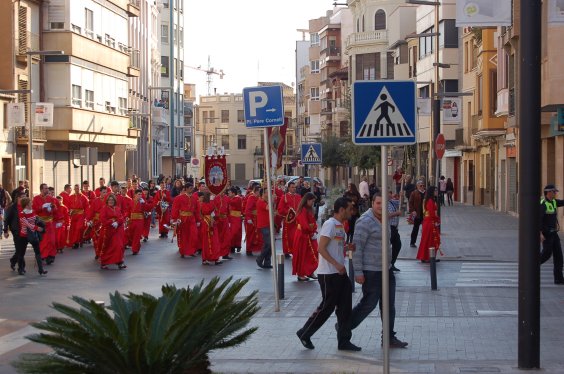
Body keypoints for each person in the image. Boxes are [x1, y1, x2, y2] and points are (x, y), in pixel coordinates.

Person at [296, 197, 361, 352]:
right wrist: (337, 264)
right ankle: (305, 333)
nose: (352, 212)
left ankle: (344, 341)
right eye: (349, 208)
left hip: (339, 273)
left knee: (345, 307)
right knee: (327, 307)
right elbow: (321, 248)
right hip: (329, 274)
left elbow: (335, 247)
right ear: (341, 209)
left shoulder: (340, 226)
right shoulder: (330, 224)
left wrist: (347, 247)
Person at [350, 193, 408, 348]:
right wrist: (358, 272)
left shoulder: (385, 220)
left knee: (389, 305)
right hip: (371, 271)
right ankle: (345, 326)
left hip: (386, 269)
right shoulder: (364, 221)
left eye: (384, 203)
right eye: (378, 203)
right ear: (372, 203)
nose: (381, 206)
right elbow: (357, 248)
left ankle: (388, 337)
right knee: (369, 303)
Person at [6, 197, 48, 276]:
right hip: (24, 235)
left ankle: (41, 269)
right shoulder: (22, 214)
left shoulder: (33, 211)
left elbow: (36, 220)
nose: (32, 204)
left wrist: (42, 223)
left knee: (38, 252)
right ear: (27, 205)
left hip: (33, 235)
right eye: (30, 203)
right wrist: (37, 228)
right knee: (21, 253)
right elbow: (27, 224)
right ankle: (21, 269)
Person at [539, 184, 564, 284]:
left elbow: (562, 202)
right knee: (546, 254)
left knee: (559, 256)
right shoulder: (543, 204)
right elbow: (538, 220)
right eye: (554, 192)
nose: (555, 193)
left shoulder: (553, 202)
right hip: (547, 233)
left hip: (554, 233)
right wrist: (540, 233)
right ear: (548, 192)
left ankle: (558, 279)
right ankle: (531, 266)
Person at [292, 192, 318, 281]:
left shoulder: (310, 209)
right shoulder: (302, 209)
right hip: (302, 235)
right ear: (307, 200)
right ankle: (301, 274)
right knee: (302, 255)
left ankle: (310, 271)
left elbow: (313, 221)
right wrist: (311, 232)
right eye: (312, 201)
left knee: (313, 254)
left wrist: (314, 230)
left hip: (309, 234)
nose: (312, 203)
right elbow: (304, 224)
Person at [98, 194, 127, 270]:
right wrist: (111, 221)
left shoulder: (117, 208)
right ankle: (104, 261)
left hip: (117, 230)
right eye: (109, 200)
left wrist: (117, 222)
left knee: (119, 245)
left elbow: (121, 217)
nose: (111, 201)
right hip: (108, 230)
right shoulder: (104, 209)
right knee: (108, 247)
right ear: (107, 201)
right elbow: (102, 219)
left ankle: (119, 261)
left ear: (115, 201)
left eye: (112, 200)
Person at [32, 183, 58, 264]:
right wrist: (41, 207)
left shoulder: (51, 198)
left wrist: (52, 209)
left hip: (50, 223)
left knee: (51, 240)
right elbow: (34, 210)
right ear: (41, 190)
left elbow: (56, 209)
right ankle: (43, 255)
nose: (47, 190)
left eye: (47, 188)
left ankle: (50, 255)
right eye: (45, 188)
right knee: (43, 241)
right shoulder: (36, 199)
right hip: (41, 223)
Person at [170, 184, 199, 258]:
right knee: (184, 236)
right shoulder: (179, 198)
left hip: (192, 219)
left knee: (193, 235)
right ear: (186, 189)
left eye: (192, 188)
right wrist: (174, 219)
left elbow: (197, 210)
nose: (191, 189)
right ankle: (183, 251)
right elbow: (175, 208)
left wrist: (198, 220)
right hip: (183, 219)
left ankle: (192, 250)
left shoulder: (195, 198)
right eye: (190, 188)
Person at [416, 186, 441, 263]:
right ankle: (429, 257)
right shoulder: (430, 201)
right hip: (430, 222)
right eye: (435, 190)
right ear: (432, 192)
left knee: (428, 240)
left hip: (429, 222)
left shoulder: (430, 200)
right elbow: (432, 213)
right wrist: (437, 219)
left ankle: (426, 257)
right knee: (431, 240)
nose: (437, 192)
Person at [277, 181, 301, 258]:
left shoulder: (298, 197)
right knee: (288, 237)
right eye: (292, 187)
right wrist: (290, 212)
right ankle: (287, 251)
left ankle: (296, 251)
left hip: (297, 221)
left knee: (296, 236)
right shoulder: (284, 197)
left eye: (295, 187)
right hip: (288, 220)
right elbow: (280, 209)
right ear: (288, 188)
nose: (294, 189)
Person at [200, 192, 222, 265]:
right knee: (206, 241)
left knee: (215, 241)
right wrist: (212, 201)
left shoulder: (212, 202)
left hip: (213, 222)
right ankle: (205, 258)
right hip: (207, 222)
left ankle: (216, 257)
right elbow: (207, 211)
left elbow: (216, 210)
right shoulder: (204, 204)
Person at [255, 189, 273, 269]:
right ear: (263, 194)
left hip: (269, 225)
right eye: (267, 193)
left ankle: (267, 262)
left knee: (271, 244)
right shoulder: (260, 201)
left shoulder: (266, 201)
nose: (269, 194)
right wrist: (271, 200)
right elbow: (268, 208)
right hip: (264, 225)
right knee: (268, 243)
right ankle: (260, 258)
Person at [67, 184, 89, 249]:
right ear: (74, 189)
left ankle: (77, 242)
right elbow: (68, 206)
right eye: (75, 188)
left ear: (80, 189)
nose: (76, 190)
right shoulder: (71, 197)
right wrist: (69, 212)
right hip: (73, 215)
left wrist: (86, 217)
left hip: (81, 215)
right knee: (73, 229)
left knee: (78, 228)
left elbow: (87, 207)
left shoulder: (84, 197)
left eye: (78, 188)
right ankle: (75, 242)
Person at [214, 188, 232, 260]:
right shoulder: (215, 198)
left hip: (225, 220)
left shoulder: (227, 198)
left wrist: (229, 220)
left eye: (224, 191)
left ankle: (225, 254)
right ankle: (217, 253)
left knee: (226, 237)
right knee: (218, 238)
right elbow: (213, 209)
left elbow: (229, 210)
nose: (223, 192)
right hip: (217, 220)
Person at [244, 184, 262, 255]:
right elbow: (248, 209)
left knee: (258, 234)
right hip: (252, 218)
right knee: (250, 234)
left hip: (257, 218)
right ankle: (249, 249)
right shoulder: (251, 197)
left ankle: (257, 248)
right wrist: (248, 218)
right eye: (259, 191)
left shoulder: (258, 198)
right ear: (256, 191)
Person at [408, 180, 426, 248]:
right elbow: (410, 203)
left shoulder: (426, 193)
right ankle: (412, 242)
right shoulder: (414, 193)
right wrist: (412, 211)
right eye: (420, 185)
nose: (422, 187)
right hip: (417, 214)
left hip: (425, 214)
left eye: (423, 185)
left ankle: (424, 243)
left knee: (425, 229)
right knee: (415, 228)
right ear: (417, 186)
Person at [388, 191, 402, 272]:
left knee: (397, 245)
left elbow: (398, 202)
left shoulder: (391, 202)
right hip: (389, 227)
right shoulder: (383, 203)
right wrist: (396, 213)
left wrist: (401, 196)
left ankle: (392, 263)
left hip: (394, 228)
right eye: (388, 193)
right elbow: (386, 215)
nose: (390, 194)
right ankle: (387, 264)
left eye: (390, 193)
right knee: (387, 246)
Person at [228, 187, 243, 253]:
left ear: (233, 193)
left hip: (236, 217)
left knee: (235, 232)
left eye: (229, 193)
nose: (228, 194)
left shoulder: (238, 198)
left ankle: (236, 245)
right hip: (232, 217)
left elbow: (232, 203)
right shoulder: (233, 198)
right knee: (233, 232)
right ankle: (233, 246)